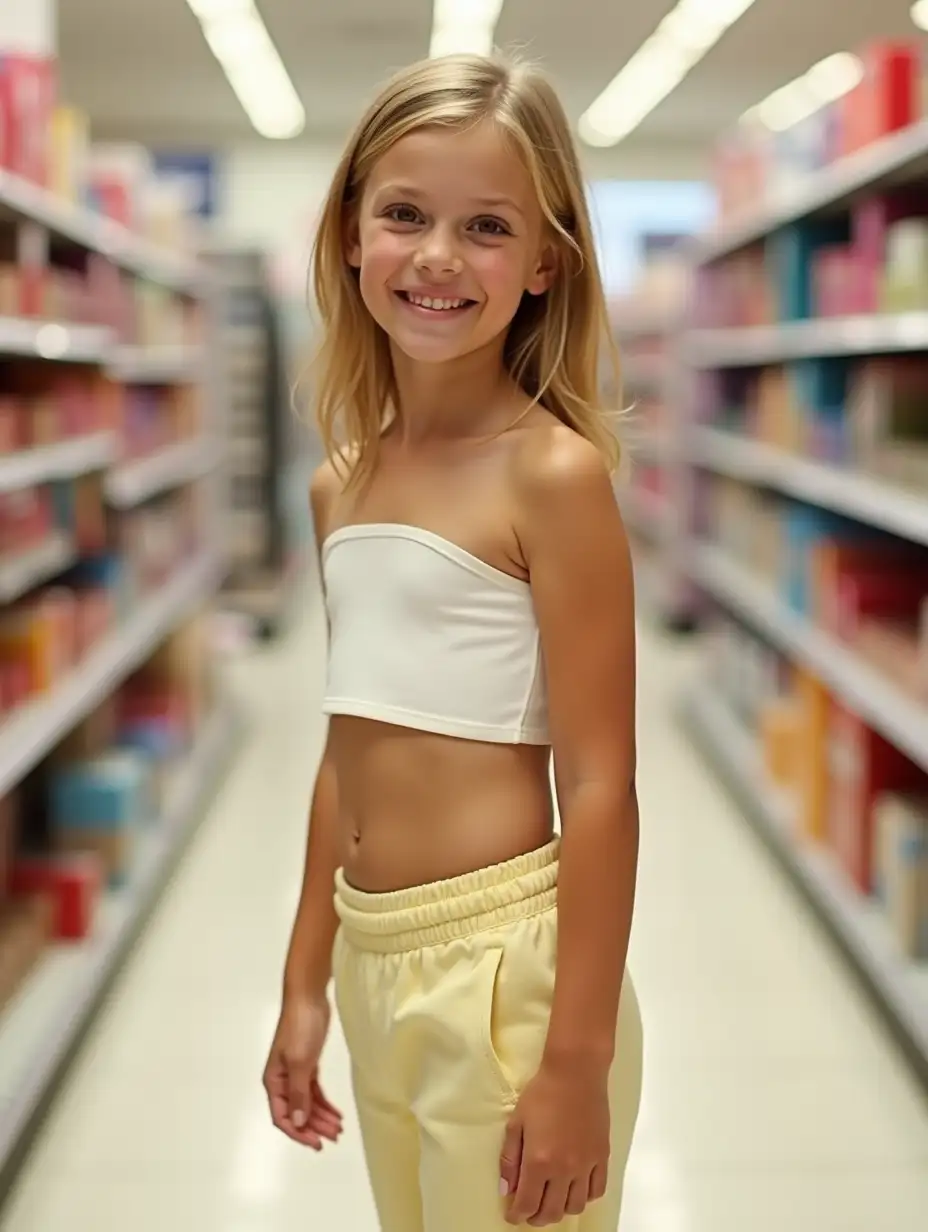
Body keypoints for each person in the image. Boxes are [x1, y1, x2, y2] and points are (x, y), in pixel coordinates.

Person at [262, 50, 643, 1232]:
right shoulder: (342, 482)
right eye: (404, 214)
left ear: (544, 263)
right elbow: (350, 747)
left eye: (486, 226)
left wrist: (573, 1059)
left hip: (505, 967)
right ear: (348, 236)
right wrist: (304, 980)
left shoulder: (552, 474)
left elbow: (602, 781)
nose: (435, 256)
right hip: (377, 956)